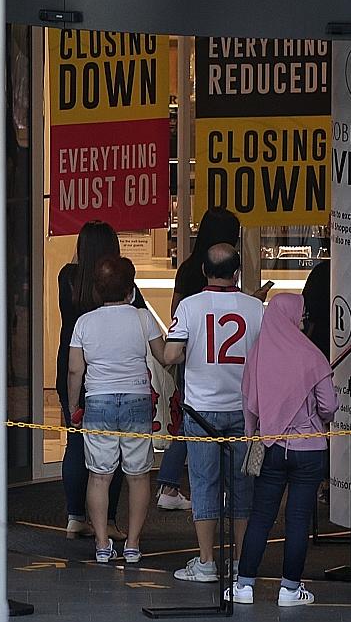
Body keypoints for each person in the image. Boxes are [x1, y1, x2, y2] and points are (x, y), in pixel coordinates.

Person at [161, 244, 265, 583]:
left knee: (204, 485)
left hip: (201, 411)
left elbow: (172, 354)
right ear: (237, 272)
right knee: (241, 487)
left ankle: (206, 562)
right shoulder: (255, 308)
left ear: (205, 271)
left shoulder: (190, 307)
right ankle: (239, 563)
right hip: (243, 410)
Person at [230, 293, 337, 606]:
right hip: (309, 450)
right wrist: (320, 417)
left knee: (261, 516)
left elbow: (249, 404)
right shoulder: (312, 355)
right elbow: (328, 406)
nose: (303, 322)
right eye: (301, 316)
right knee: (298, 519)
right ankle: (290, 588)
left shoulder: (258, 353)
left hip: (271, 447)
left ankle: (244, 584)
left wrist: (254, 436)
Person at [68, 255, 167, 564]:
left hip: (98, 402)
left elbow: (74, 371)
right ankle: (133, 545)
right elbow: (163, 355)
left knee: (99, 476)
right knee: (138, 477)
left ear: (97, 291)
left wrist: (73, 407)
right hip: (137, 401)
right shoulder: (143, 318)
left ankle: (101, 545)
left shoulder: (84, 323)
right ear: (130, 289)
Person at [57, 221, 139, 539]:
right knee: (114, 449)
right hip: (112, 371)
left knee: (75, 442)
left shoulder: (67, 277)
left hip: (72, 364)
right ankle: (108, 522)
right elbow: (137, 312)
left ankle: (75, 517)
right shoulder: (120, 285)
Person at [158, 207, 243, 511]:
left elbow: (175, 313)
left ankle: (170, 482)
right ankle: (173, 483)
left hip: (192, 358)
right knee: (206, 423)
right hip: (226, 365)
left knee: (191, 419)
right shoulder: (227, 274)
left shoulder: (188, 268)